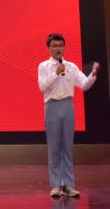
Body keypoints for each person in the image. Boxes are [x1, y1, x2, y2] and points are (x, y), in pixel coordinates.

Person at [37, 33, 99, 199]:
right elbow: (42, 87)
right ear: (49, 48)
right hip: (52, 106)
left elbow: (84, 85)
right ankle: (56, 185)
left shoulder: (71, 66)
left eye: (60, 45)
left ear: (64, 47)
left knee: (67, 147)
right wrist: (56, 73)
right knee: (54, 147)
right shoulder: (43, 66)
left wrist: (93, 74)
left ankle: (68, 185)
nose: (58, 48)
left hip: (67, 106)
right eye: (54, 45)